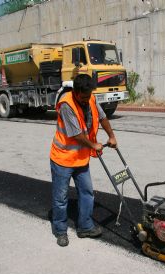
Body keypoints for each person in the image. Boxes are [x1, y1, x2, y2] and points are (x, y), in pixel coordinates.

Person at [50, 74, 117, 247]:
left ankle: (85, 227)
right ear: (76, 92)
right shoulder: (66, 104)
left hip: (80, 159)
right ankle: (60, 230)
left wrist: (111, 135)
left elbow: (102, 117)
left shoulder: (90, 98)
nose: (88, 99)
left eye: (89, 95)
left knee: (87, 193)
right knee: (61, 198)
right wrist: (93, 144)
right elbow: (76, 134)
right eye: (84, 97)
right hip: (62, 159)